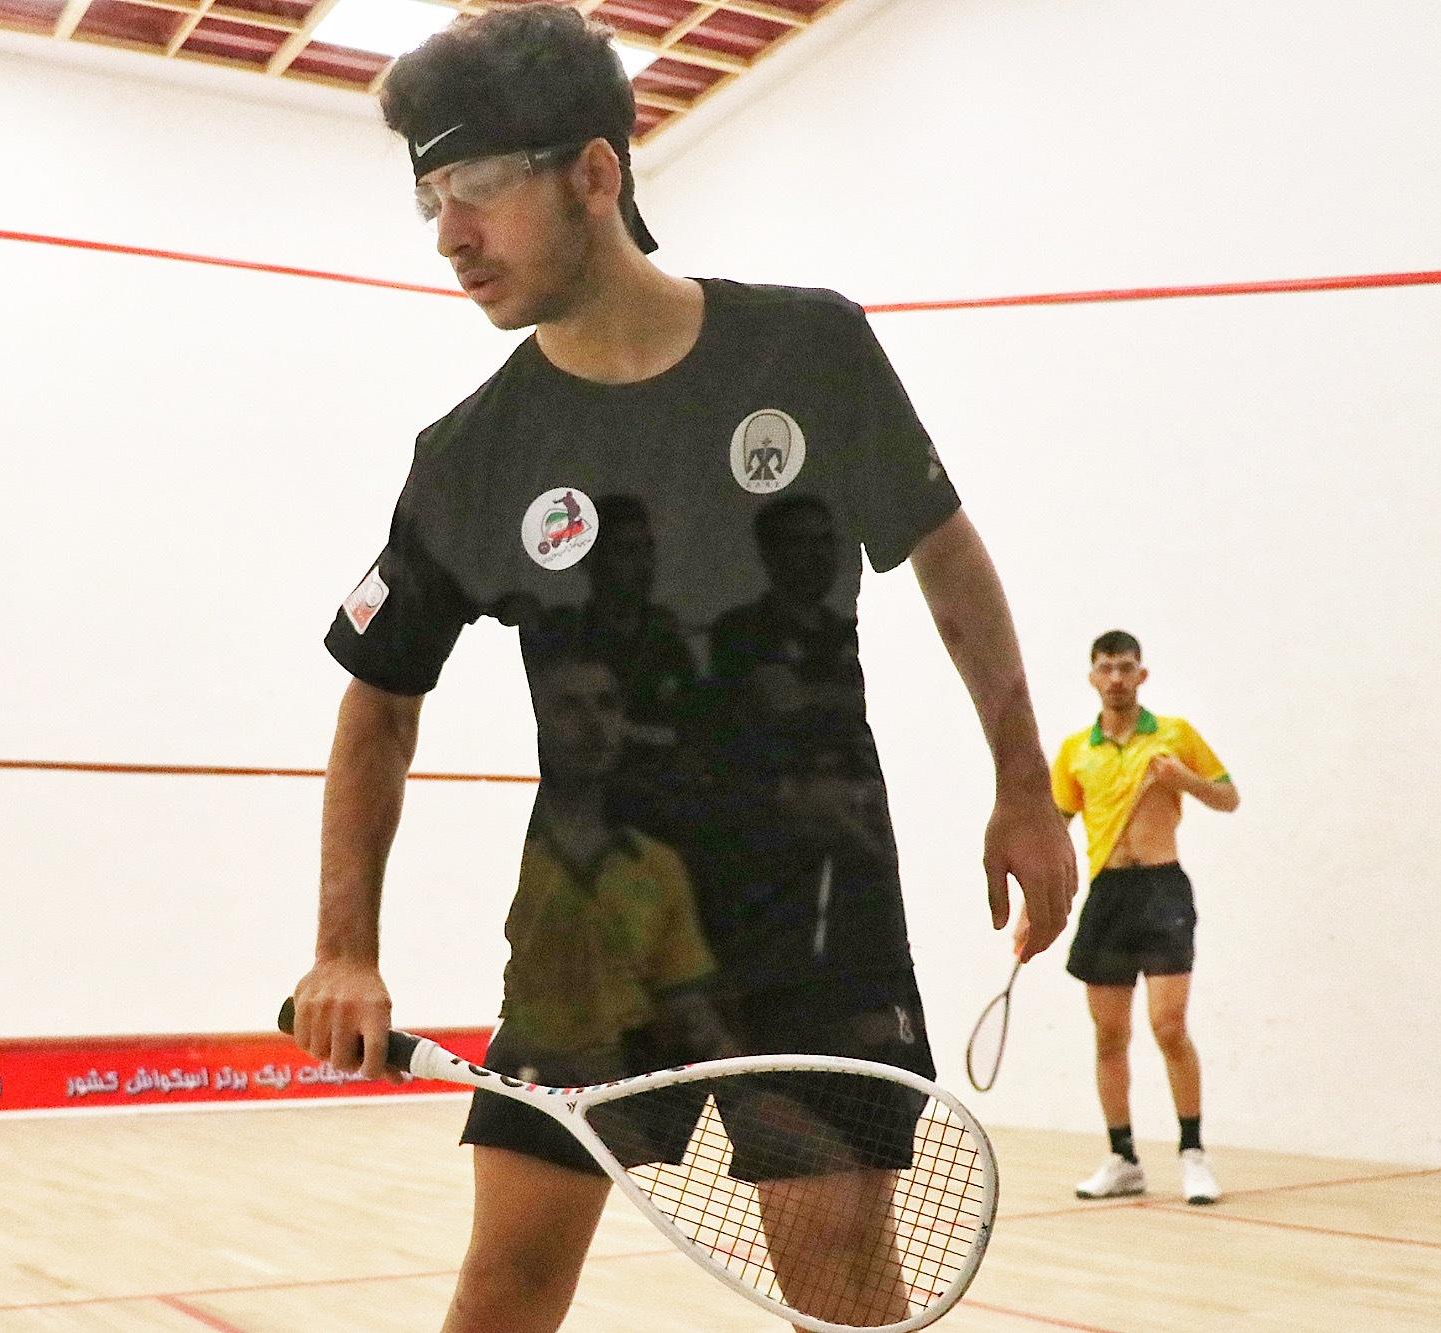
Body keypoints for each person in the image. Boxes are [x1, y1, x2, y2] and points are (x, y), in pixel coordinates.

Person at [288, 6, 1077, 1328]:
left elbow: (948, 563)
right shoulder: (469, 456)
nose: (448, 235)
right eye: (430, 199)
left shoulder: (810, 351)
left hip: (813, 919)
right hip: (589, 930)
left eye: (476, 187)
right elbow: (377, 705)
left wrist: (1023, 788)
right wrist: (341, 948)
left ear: (594, 173)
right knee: (506, 1285)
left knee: (839, 1288)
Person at [1050, 630, 1239, 1205]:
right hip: (1107, 895)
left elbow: (1228, 797)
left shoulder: (1175, 734)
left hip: (1162, 890)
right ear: (1092, 677)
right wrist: (1037, 905)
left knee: (1168, 1026)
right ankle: (1123, 1158)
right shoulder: (1074, 751)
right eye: (1106, 668)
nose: (1116, 678)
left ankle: (1193, 1153)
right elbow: (1054, 832)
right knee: (1110, 1034)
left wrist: (1184, 781)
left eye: (1126, 667)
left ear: (1142, 675)